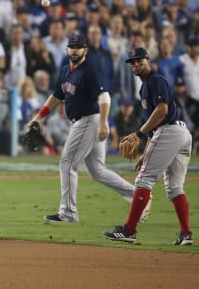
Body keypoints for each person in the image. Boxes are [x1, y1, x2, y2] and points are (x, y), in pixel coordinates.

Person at [28, 34, 150, 223]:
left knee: (67, 164)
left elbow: (105, 97)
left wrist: (103, 122)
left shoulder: (89, 71)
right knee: (98, 171)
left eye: (79, 47)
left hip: (90, 120)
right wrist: (39, 117)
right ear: (67, 49)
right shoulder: (65, 71)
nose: (75, 50)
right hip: (83, 121)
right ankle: (139, 196)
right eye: (72, 46)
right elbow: (56, 97)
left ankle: (68, 212)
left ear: (85, 50)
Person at [103, 47, 193, 246]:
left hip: (170, 131)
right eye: (132, 62)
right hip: (178, 135)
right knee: (175, 187)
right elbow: (155, 127)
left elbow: (162, 111)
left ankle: (129, 230)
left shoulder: (156, 80)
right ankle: (185, 233)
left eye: (139, 61)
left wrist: (138, 133)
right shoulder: (144, 88)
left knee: (144, 180)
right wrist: (146, 152)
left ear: (148, 61)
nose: (135, 64)